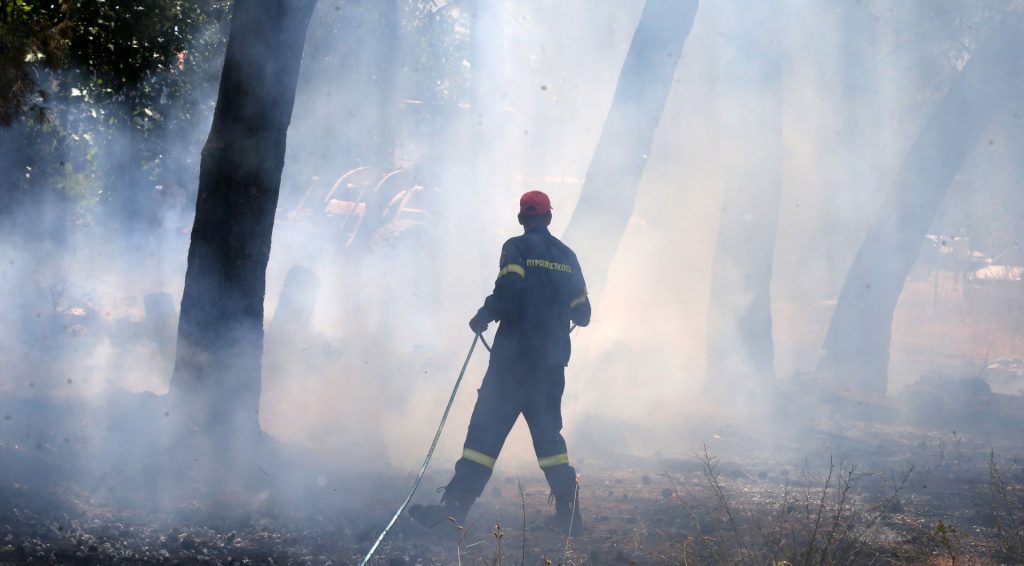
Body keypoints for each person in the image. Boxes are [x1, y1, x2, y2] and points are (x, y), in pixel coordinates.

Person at [409, 190, 591, 535]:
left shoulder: (516, 247)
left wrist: (483, 315)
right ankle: (570, 517)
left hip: (512, 364)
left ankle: (452, 515)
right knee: (550, 440)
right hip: (550, 366)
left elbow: (510, 291)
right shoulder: (568, 257)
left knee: (484, 437)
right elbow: (583, 314)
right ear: (549, 218)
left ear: (523, 219)